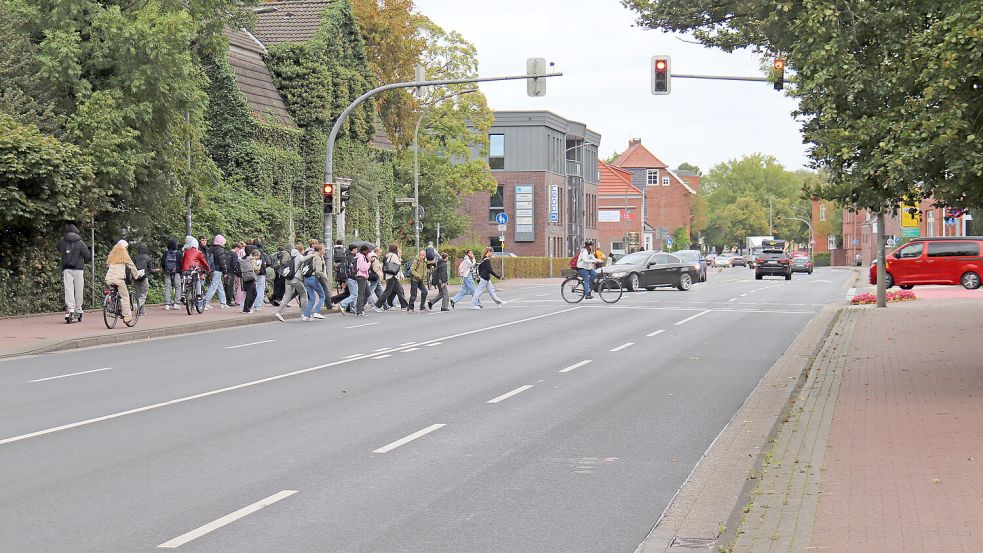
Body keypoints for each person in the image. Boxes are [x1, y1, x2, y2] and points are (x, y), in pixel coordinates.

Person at [58, 223, 92, 322]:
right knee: (79, 289)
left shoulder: (63, 241)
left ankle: (70, 308)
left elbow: (58, 248)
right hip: (78, 269)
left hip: (66, 268)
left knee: (68, 288)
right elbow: (87, 256)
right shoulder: (81, 243)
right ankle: (78, 309)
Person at [104, 240, 141, 324]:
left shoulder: (111, 257)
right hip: (119, 279)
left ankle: (112, 306)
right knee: (125, 296)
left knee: (115, 292)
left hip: (109, 279)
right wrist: (136, 275)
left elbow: (107, 266)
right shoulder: (125, 257)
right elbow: (132, 267)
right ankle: (127, 316)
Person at [275, 248, 313, 321]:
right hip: (295, 278)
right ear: (300, 251)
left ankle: (279, 313)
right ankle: (305, 314)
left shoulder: (290, 257)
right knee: (303, 294)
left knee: (286, 296)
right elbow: (303, 259)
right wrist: (312, 255)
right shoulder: (298, 256)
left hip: (288, 278)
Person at [374, 244, 409, 312]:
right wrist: (399, 259)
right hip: (392, 276)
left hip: (389, 275)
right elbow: (398, 264)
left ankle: (404, 306)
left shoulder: (387, 255)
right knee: (387, 292)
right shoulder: (393, 255)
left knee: (400, 290)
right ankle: (377, 306)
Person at [181, 236, 210, 303]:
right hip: (194, 269)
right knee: (197, 281)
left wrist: (183, 267)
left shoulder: (186, 252)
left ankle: (184, 293)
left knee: (186, 281)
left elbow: (183, 261)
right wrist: (208, 269)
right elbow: (204, 262)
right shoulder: (199, 252)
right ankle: (199, 295)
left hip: (185, 269)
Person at [302, 244, 327, 320]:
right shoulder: (317, 258)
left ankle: (306, 315)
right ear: (319, 250)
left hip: (306, 279)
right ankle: (316, 312)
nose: (324, 251)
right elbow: (318, 271)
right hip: (313, 279)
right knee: (322, 295)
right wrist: (324, 276)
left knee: (312, 298)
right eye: (323, 249)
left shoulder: (309, 257)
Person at [204, 234, 229, 309]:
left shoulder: (211, 248)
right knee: (214, 286)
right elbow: (222, 262)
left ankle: (223, 302)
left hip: (212, 269)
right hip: (218, 270)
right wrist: (225, 272)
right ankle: (205, 302)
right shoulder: (220, 249)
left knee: (219, 286)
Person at [131, 243, 154, 316]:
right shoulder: (148, 258)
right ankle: (136, 305)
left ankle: (141, 312)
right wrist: (157, 270)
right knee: (143, 295)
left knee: (138, 295)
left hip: (135, 277)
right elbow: (151, 271)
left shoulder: (135, 258)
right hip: (144, 278)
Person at [160, 238, 182, 310]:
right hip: (176, 272)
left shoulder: (165, 253)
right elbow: (181, 263)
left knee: (167, 287)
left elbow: (162, 263)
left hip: (167, 272)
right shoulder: (178, 253)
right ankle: (176, 303)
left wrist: (165, 269)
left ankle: (167, 304)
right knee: (178, 287)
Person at [337, 244, 360, 314]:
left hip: (347, 277)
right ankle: (342, 304)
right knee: (354, 294)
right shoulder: (352, 258)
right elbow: (353, 268)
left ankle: (352, 308)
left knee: (353, 293)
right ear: (353, 250)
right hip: (351, 278)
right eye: (356, 249)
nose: (357, 250)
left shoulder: (346, 257)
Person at [240, 246, 262, 314]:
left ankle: (248, 307)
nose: (259, 257)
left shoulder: (246, 258)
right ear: (256, 255)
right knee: (251, 293)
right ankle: (246, 309)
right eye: (258, 256)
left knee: (253, 293)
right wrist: (259, 265)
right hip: (251, 278)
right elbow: (255, 268)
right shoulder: (252, 259)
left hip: (246, 277)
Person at [252, 240, 270, 312]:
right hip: (262, 273)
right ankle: (258, 305)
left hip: (253, 273)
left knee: (253, 288)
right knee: (260, 289)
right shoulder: (263, 254)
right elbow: (269, 262)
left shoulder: (252, 253)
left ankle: (252, 304)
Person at [354, 244, 372, 316]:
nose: (368, 252)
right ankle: (359, 310)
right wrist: (369, 262)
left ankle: (360, 307)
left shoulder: (363, 257)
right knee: (361, 294)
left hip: (363, 276)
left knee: (368, 293)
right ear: (364, 251)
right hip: (360, 276)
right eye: (367, 251)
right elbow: (363, 268)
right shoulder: (361, 257)